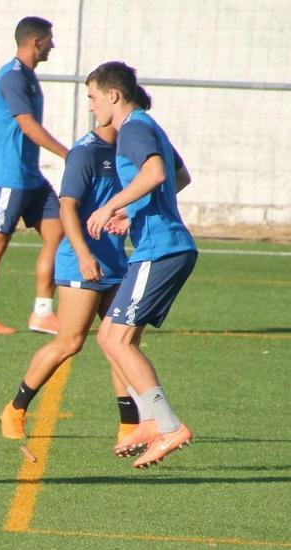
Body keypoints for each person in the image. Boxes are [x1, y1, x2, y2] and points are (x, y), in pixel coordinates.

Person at [0, 123, 143, 447]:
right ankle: (15, 408)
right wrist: (82, 254)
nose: (92, 104)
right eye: (91, 98)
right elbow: (67, 208)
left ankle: (129, 426)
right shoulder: (85, 152)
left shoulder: (127, 149)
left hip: (117, 263)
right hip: (83, 263)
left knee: (122, 344)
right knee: (70, 342)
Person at [85, 61, 197, 469]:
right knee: (109, 338)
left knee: (117, 341)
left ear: (113, 95)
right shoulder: (148, 126)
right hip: (158, 246)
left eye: (93, 98)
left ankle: (168, 426)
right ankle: (150, 420)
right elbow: (178, 176)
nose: (92, 107)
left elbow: (154, 172)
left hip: (162, 249)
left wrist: (113, 204)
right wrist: (133, 214)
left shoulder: (132, 128)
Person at [0, 16, 69, 336]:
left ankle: (42, 312)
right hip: (9, 177)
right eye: (49, 39)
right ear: (36, 41)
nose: (52, 45)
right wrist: (68, 153)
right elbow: (27, 125)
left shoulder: (28, 76)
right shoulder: (12, 77)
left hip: (31, 178)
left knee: (60, 235)